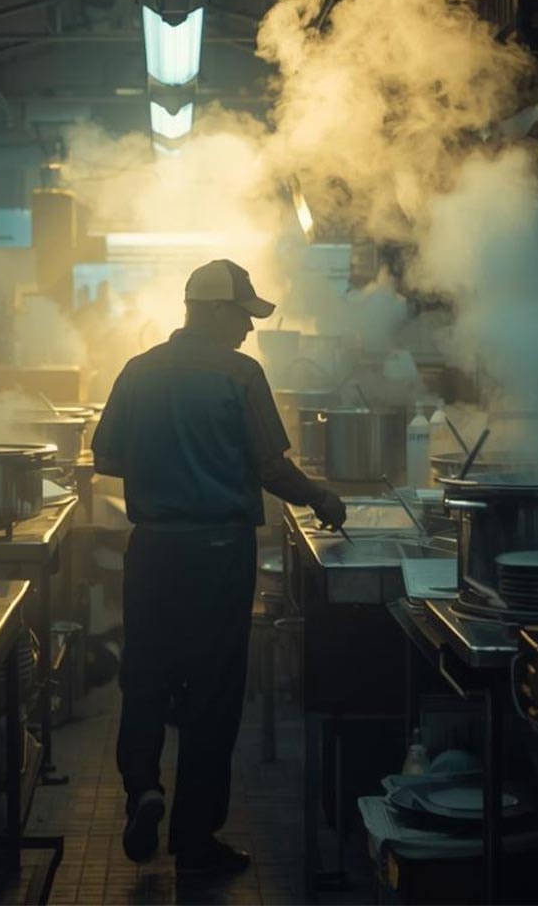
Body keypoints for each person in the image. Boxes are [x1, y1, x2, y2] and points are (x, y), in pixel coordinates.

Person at [91, 259, 348, 877]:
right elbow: (270, 468)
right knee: (212, 697)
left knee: (146, 678)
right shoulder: (241, 376)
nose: (248, 329)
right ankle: (195, 838)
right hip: (217, 554)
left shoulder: (138, 370)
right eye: (241, 315)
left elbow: (107, 455)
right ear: (206, 310)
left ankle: (142, 788)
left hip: (152, 550)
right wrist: (320, 497)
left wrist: (166, 466)